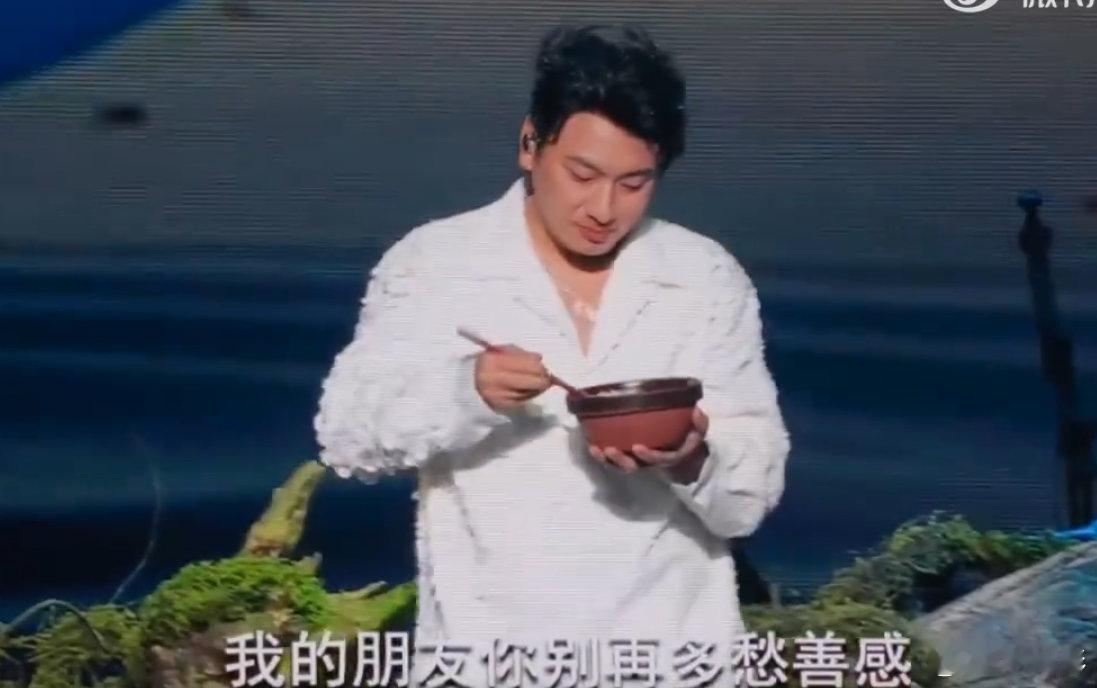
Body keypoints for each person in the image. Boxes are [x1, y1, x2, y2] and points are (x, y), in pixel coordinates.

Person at [315, 24, 791, 688]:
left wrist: (690, 458)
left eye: (634, 183)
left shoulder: (702, 276)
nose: (603, 208)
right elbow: (345, 433)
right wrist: (466, 392)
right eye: (581, 174)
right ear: (529, 143)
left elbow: (749, 496)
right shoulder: (438, 264)